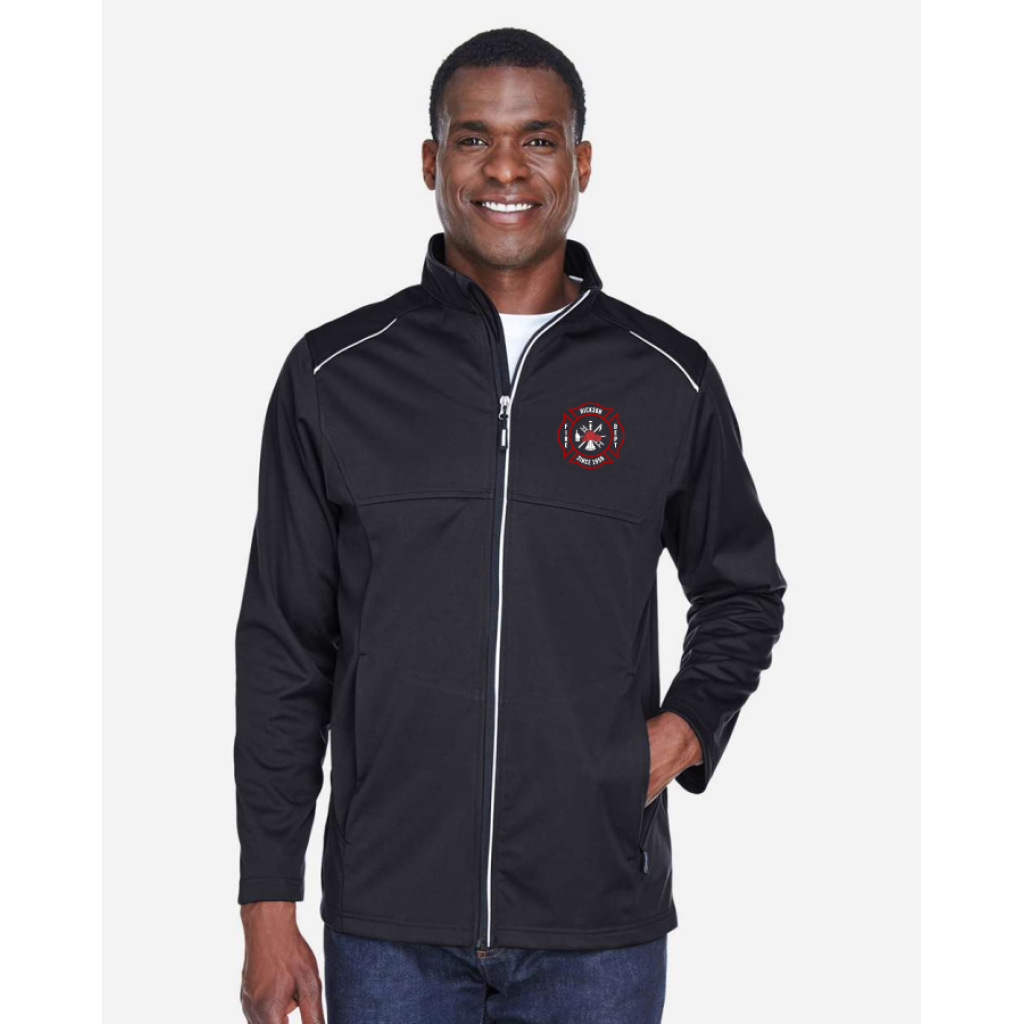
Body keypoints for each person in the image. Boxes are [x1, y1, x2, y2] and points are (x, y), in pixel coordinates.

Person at [235, 26, 786, 1024]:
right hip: (389, 920)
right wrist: (268, 905)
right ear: (429, 161)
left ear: (581, 163)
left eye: (537, 139)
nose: (503, 168)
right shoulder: (335, 374)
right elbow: (284, 646)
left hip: (598, 921)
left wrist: (685, 730)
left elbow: (741, 588)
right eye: (472, 138)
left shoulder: (666, 378)